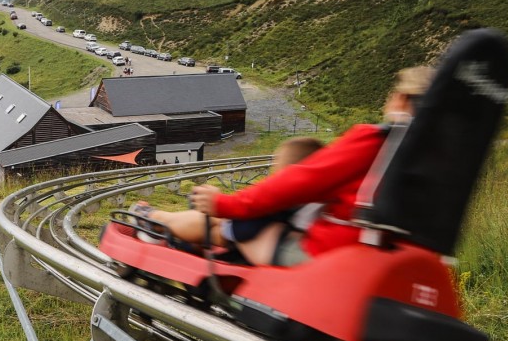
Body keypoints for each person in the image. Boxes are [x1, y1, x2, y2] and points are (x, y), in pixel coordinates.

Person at [188, 66, 435, 264]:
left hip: (337, 256)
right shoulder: (433, 160)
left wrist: (225, 203)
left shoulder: (376, 141)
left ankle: (155, 220)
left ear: (401, 99)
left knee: (240, 229)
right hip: (398, 262)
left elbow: (298, 182)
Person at [131, 137, 323, 265]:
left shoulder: (288, 195)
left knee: (216, 227)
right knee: (219, 225)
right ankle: (175, 232)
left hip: (265, 244)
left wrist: (229, 217)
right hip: (279, 241)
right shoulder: (316, 197)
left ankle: (152, 219)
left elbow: (247, 224)